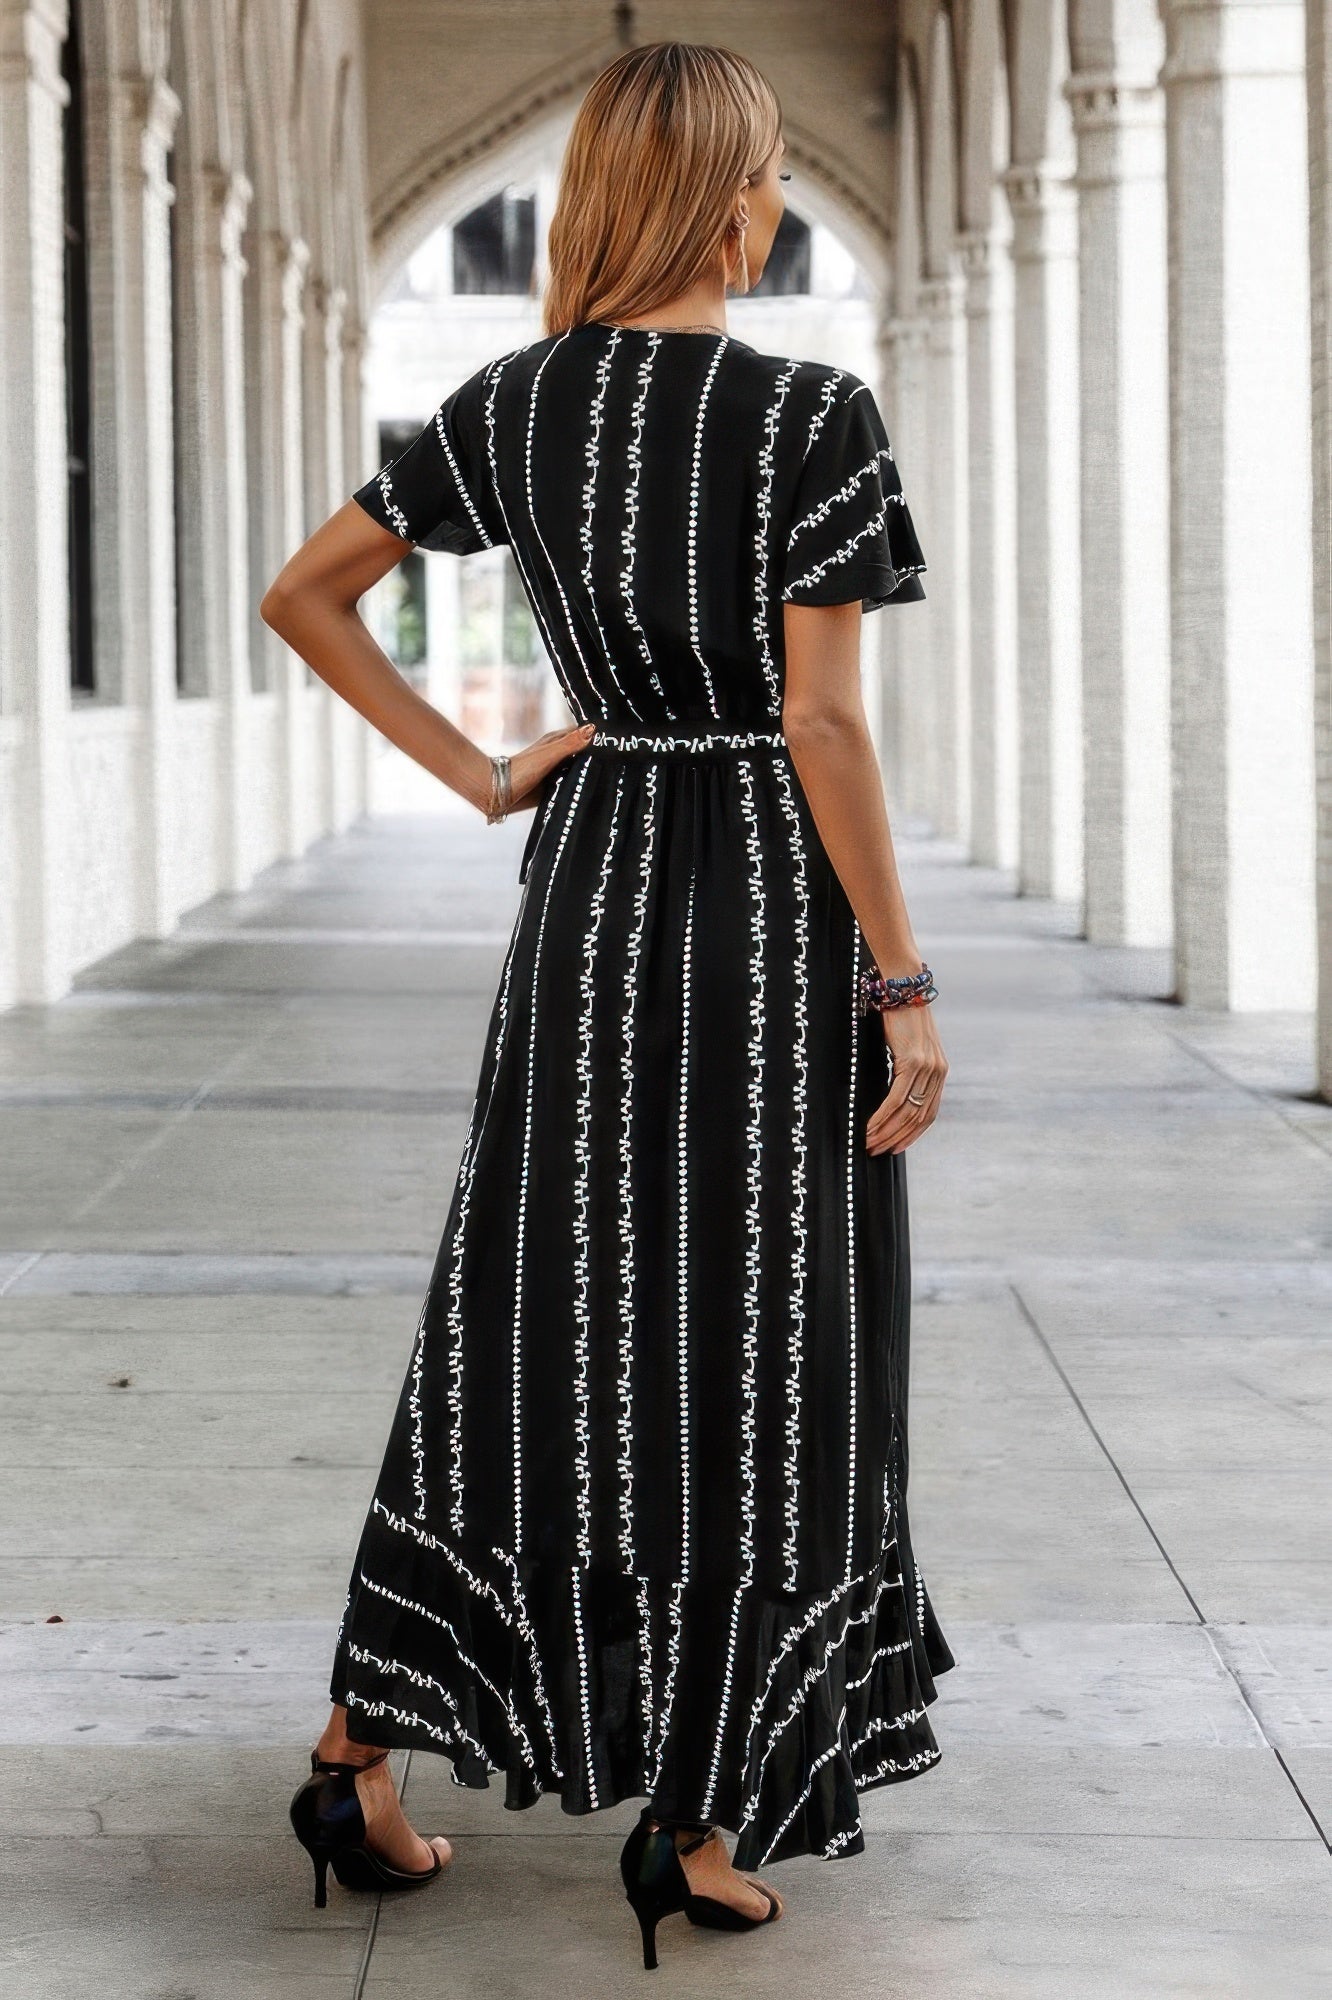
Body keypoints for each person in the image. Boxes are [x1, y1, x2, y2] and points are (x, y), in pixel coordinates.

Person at [261, 37, 955, 1972]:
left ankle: (358, 1750)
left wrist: (487, 772)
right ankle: (707, 1817)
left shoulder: (518, 405)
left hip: (591, 906)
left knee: (528, 1317)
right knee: (769, 1337)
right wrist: (899, 982)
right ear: (738, 191)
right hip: (762, 917)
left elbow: (307, 595)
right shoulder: (813, 419)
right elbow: (821, 721)